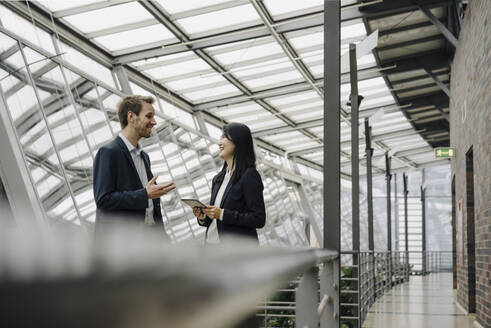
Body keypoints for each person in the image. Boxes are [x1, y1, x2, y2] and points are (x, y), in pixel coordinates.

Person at [93, 95, 175, 237]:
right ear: (131, 117)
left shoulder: (144, 157)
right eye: (149, 116)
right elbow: (103, 200)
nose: (154, 122)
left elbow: (151, 207)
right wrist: (144, 194)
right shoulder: (108, 152)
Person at [193, 122, 266, 244]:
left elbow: (258, 219)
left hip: (237, 253)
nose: (219, 143)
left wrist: (222, 214)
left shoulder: (249, 175)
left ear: (238, 141)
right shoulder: (218, 180)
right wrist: (203, 218)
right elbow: (215, 221)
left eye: (224, 137)